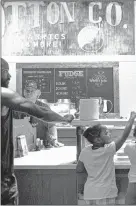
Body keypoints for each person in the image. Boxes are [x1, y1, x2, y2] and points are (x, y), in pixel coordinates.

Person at [1, 57, 74, 205]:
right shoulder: (4, 94)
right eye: (5, 72)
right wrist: (64, 119)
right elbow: (41, 113)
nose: (9, 76)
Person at [76, 111, 136, 205]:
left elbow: (79, 169)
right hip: (106, 194)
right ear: (98, 139)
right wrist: (131, 119)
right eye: (106, 133)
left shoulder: (85, 151)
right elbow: (124, 136)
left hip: (90, 194)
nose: (109, 133)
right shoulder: (108, 150)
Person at [14, 80, 62, 148]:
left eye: (32, 91)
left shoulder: (44, 108)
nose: (29, 93)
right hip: (23, 147)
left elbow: (51, 126)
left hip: (41, 146)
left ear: (38, 93)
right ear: (24, 92)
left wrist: (54, 140)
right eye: (27, 90)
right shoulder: (17, 108)